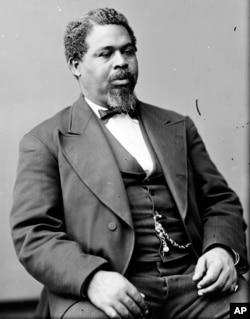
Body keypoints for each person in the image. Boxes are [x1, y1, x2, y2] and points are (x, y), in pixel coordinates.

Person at [10, 7, 249, 319]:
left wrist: (222, 249)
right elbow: (34, 232)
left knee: (244, 311)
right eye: (106, 53)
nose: (121, 61)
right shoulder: (45, 140)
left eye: (128, 51)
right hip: (108, 287)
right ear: (76, 65)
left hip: (195, 284)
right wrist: (92, 278)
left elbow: (219, 200)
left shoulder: (177, 126)